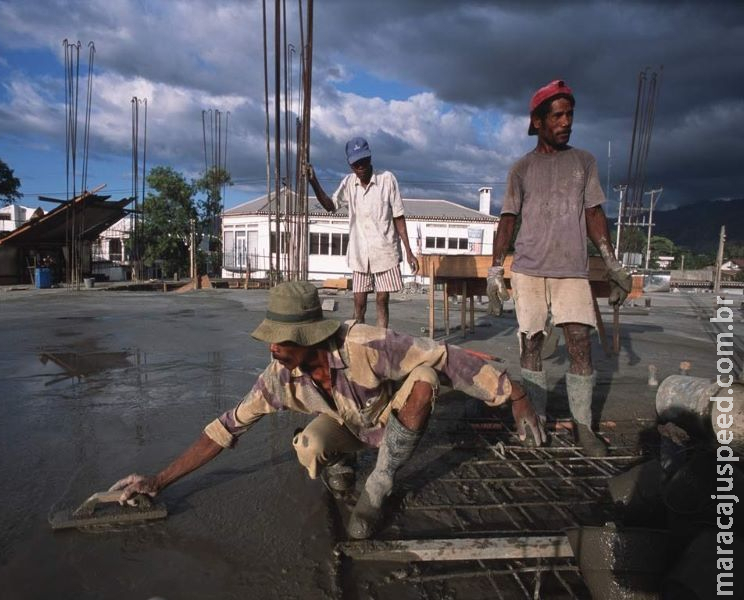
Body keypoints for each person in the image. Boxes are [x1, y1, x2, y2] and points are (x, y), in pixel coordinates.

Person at [112, 281, 545, 539]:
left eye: (283, 339)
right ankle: (342, 462)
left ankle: (379, 483)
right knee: (310, 443)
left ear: (311, 335)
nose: (274, 348)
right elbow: (224, 429)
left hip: (386, 413)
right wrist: (158, 480)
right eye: (272, 339)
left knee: (426, 380)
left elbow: (443, 356)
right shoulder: (278, 377)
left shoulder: (367, 345)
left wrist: (514, 396)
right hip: (349, 425)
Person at [487, 79, 632, 457]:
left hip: (572, 270)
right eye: (557, 115)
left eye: (570, 115)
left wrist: (611, 262)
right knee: (531, 344)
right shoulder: (521, 169)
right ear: (536, 122)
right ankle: (533, 419)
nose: (566, 122)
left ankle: (583, 426)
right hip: (530, 269)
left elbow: (594, 214)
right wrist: (494, 270)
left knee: (581, 344)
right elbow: (507, 221)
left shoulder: (584, 162)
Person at [307, 137, 418, 329]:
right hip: (360, 254)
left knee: (382, 300)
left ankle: (381, 342)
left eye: (364, 162)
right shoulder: (349, 184)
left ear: (370, 158)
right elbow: (330, 205)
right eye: (356, 164)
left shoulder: (387, 179)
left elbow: (398, 216)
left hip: (385, 251)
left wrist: (409, 251)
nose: (361, 167)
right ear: (351, 166)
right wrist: (313, 181)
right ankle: (359, 343)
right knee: (359, 303)